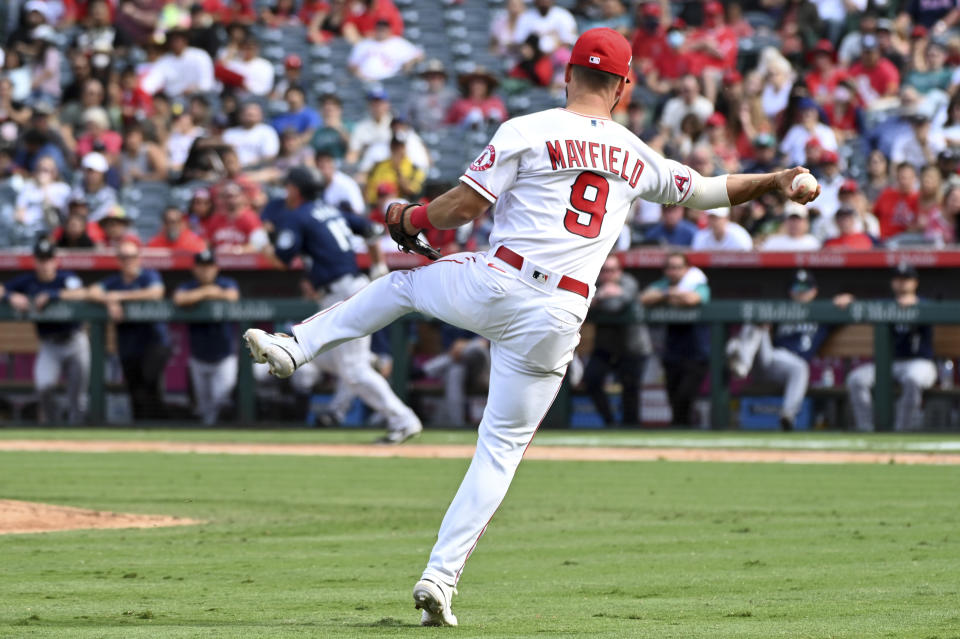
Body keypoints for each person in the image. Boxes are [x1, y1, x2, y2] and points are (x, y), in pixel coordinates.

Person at [242, 28, 819, 626]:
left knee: (403, 284)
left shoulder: (528, 129)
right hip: (561, 314)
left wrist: (409, 215)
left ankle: (294, 346)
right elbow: (707, 191)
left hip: (501, 279)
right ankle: (439, 578)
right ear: (623, 87)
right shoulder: (635, 153)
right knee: (500, 450)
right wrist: (777, 179)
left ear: (567, 75)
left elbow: (462, 209)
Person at [259, 167, 423, 443]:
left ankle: (404, 420)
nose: (286, 191)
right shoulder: (330, 210)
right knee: (318, 355)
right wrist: (378, 265)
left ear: (296, 190)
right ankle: (369, 362)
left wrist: (262, 244)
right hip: (347, 289)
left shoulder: (296, 215)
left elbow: (282, 259)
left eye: (288, 187)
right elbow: (371, 229)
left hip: (342, 292)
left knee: (353, 370)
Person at [726, 269, 831, 430]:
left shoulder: (824, 312)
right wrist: (764, 323)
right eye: (797, 288)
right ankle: (742, 363)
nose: (801, 292)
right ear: (790, 291)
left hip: (793, 364)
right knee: (757, 320)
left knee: (800, 367)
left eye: (806, 288)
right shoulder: (781, 309)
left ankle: (787, 416)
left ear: (814, 291)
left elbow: (846, 308)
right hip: (769, 358)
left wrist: (845, 299)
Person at [837, 263, 936, 432]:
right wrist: (850, 301)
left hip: (919, 362)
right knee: (856, 379)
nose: (902, 283)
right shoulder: (883, 304)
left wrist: (915, 305)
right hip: (886, 363)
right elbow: (862, 308)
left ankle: (902, 431)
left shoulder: (926, 304)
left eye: (906, 279)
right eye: (898, 279)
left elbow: (937, 310)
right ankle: (866, 429)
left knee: (913, 379)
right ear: (892, 282)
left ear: (915, 283)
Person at [0, 239, 89, 423]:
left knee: (77, 397)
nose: (45, 264)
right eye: (41, 259)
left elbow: (82, 293)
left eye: (48, 259)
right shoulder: (28, 280)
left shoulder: (65, 278)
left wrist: (53, 295)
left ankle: (78, 434)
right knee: (43, 387)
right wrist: (11, 296)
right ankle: (53, 429)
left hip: (75, 341)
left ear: (55, 260)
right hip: (49, 344)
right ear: (35, 261)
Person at [87, 241, 170, 420]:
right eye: (123, 257)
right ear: (118, 260)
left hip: (153, 342)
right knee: (134, 389)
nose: (128, 261)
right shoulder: (114, 281)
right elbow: (92, 292)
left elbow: (156, 292)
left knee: (149, 383)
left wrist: (119, 296)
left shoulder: (148, 275)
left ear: (139, 258)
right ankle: (139, 431)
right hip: (128, 345)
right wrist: (108, 300)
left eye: (132, 257)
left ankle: (159, 427)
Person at [641, 252, 711, 428]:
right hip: (672, 350)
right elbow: (644, 298)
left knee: (685, 394)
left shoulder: (697, 283)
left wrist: (670, 296)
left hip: (697, 350)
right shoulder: (664, 285)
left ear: (686, 269)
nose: (674, 272)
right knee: (673, 395)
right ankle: (679, 430)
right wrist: (669, 293)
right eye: (670, 268)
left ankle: (688, 427)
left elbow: (693, 299)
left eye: (678, 267)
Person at [172, 250, 240, 425]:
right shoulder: (189, 286)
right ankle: (206, 443)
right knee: (204, 409)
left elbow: (233, 296)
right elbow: (179, 299)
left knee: (221, 401)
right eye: (201, 267)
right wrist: (208, 291)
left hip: (224, 356)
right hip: (199, 357)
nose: (205, 271)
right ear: (195, 269)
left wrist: (202, 295)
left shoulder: (226, 282)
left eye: (209, 267)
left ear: (216, 268)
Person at [583, 254, 645, 426]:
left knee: (630, 390)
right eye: (604, 271)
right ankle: (609, 422)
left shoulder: (628, 282)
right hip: (605, 347)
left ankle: (630, 428)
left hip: (632, 346)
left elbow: (615, 306)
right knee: (591, 379)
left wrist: (596, 300)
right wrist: (602, 295)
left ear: (620, 271)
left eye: (612, 270)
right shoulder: (596, 285)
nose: (608, 274)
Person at [223, 102, 280, 169]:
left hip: (258, 169)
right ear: (240, 115)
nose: (250, 117)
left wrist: (250, 165)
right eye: (247, 114)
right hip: (231, 170)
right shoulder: (229, 133)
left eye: (253, 115)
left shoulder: (268, 131)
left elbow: (270, 156)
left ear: (260, 115)